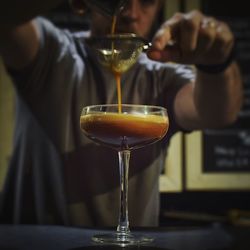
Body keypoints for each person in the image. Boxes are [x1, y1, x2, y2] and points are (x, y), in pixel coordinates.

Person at [0, 0, 243, 226]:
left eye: (146, 0)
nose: (129, 13)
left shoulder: (162, 78)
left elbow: (217, 113)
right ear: (82, 4)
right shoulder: (49, 53)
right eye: (115, 0)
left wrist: (216, 63)